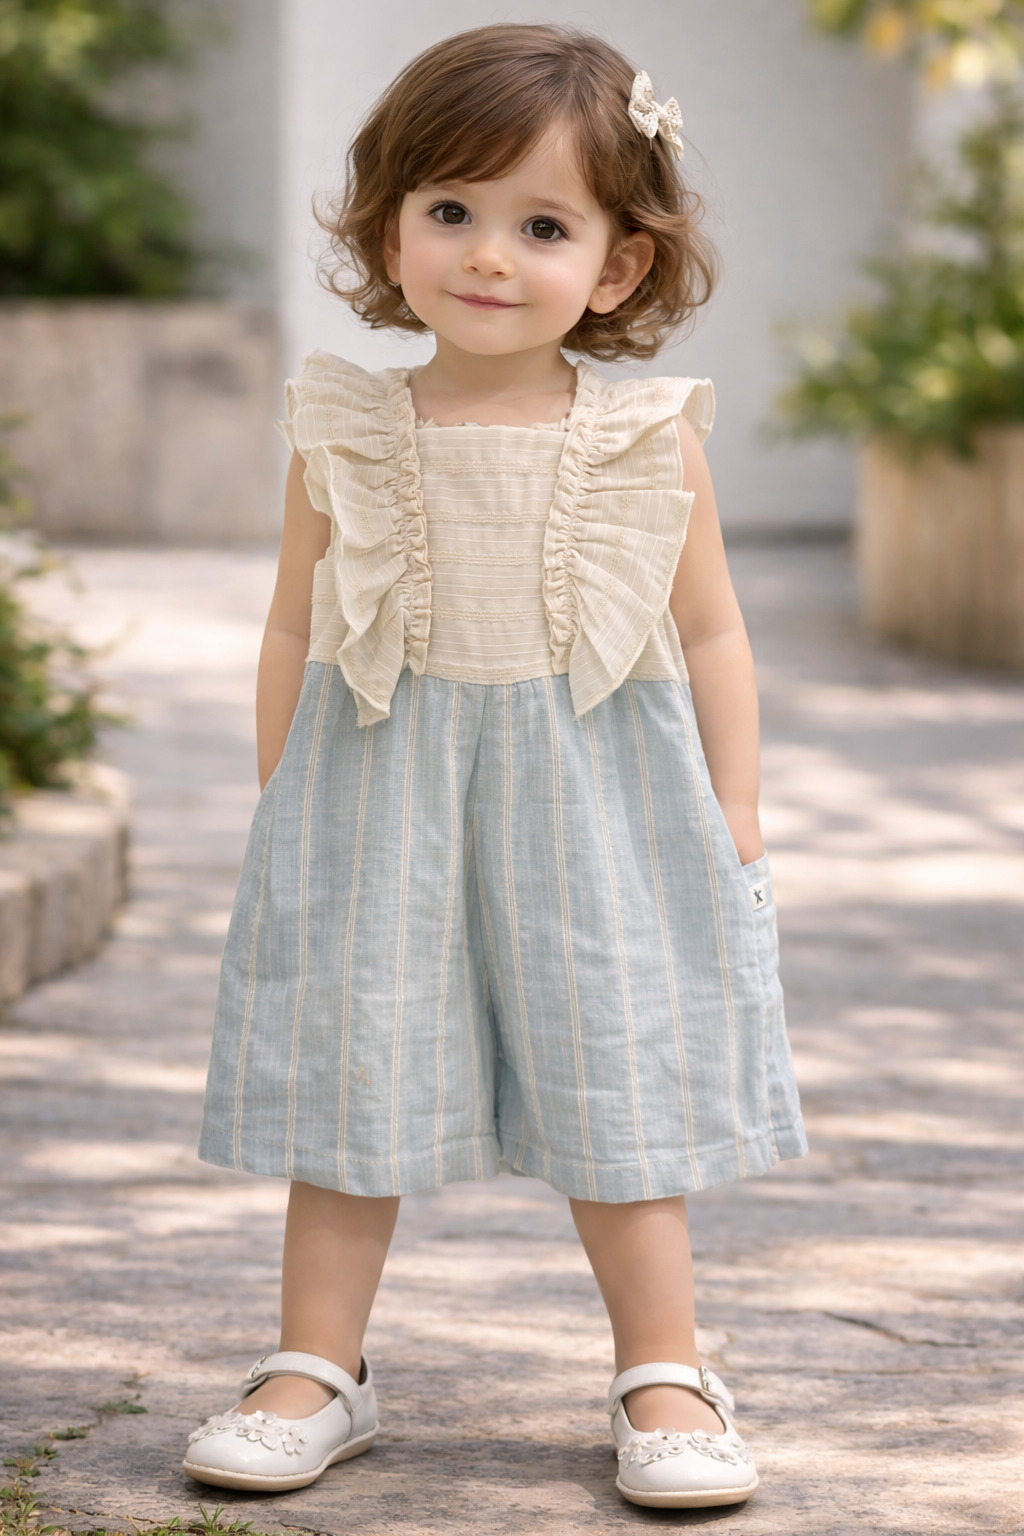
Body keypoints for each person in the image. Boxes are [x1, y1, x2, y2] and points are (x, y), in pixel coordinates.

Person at [183, 23, 806, 1511]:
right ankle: (314, 1367)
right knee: (356, 1064)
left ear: (618, 267)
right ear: (387, 225)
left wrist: (735, 807)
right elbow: (293, 625)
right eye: (450, 209)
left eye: (542, 226)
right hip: (376, 786)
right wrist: (283, 798)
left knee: (614, 1070)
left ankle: (666, 1370)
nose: (485, 255)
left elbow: (712, 633)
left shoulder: (646, 435)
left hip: (597, 799)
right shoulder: (345, 425)